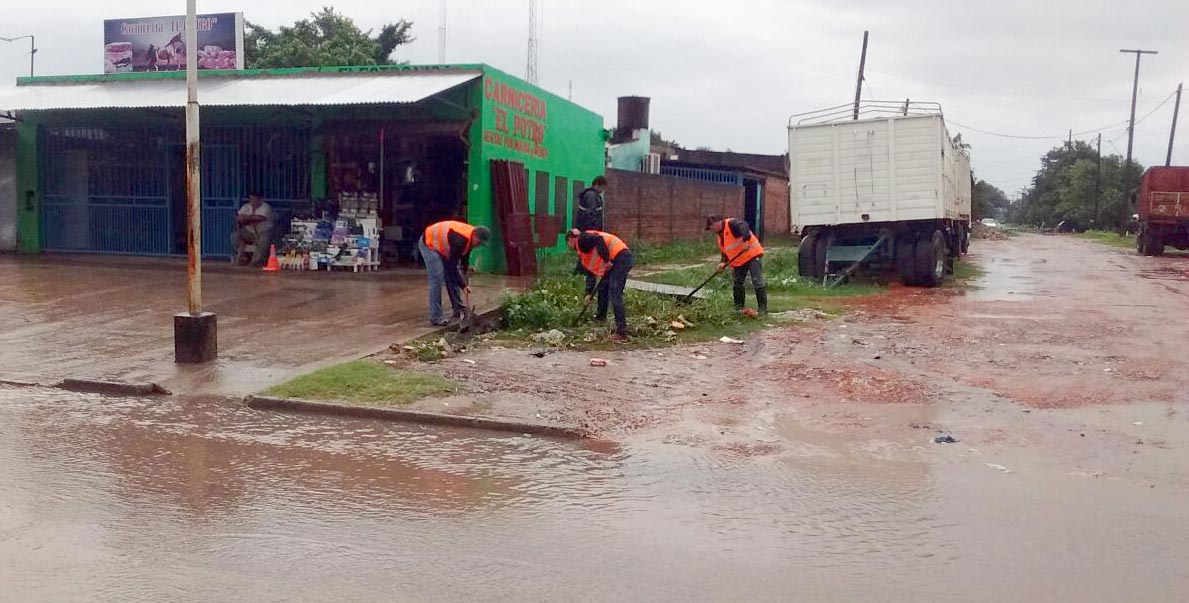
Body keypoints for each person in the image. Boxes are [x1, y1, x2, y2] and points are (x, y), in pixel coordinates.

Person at [419, 220, 492, 326]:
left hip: (443, 246)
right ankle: (436, 317)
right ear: (475, 236)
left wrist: (465, 277)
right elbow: (452, 267)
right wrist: (463, 285)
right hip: (429, 244)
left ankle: (458, 308)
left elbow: (464, 257)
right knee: (437, 278)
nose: (478, 245)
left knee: (452, 276)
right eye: (479, 242)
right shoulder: (459, 240)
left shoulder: (469, 238)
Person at [567, 228, 634, 342]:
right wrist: (588, 293)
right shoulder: (583, 251)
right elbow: (590, 273)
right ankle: (600, 318)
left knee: (615, 292)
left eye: (568, 243)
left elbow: (598, 239)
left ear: (570, 240)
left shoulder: (582, 240)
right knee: (603, 286)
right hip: (616, 260)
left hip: (619, 257)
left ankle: (622, 332)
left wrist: (606, 260)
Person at [706, 215, 767, 315]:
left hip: (752, 254)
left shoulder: (732, 223)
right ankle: (738, 308)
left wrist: (746, 239)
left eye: (711, 227)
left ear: (716, 223)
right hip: (739, 260)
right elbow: (726, 252)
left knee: (757, 280)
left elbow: (744, 226)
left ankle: (763, 309)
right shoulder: (720, 236)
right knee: (738, 282)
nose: (711, 230)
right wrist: (723, 262)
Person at [231, 192, 275, 266]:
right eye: (251, 199)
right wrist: (250, 218)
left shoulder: (266, 207)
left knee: (263, 241)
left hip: (263, 231)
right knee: (234, 236)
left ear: (260, 200)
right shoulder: (246, 207)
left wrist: (247, 218)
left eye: (255, 199)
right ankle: (244, 258)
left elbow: (261, 218)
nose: (252, 201)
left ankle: (256, 261)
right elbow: (239, 217)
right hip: (249, 231)